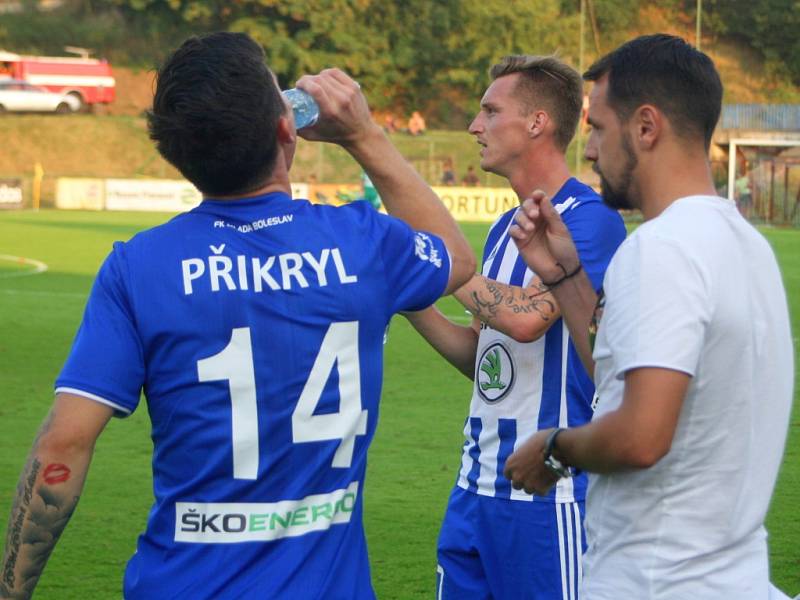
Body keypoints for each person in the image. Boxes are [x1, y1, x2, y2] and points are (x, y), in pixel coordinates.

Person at [0, 32, 475, 599]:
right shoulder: (360, 241)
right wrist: (364, 135)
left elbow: (63, 444)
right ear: (286, 128)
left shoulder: (138, 267)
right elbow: (456, 255)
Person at [504, 34, 793, 600]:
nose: (589, 151)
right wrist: (565, 278)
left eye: (598, 128)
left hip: (656, 582)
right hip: (733, 579)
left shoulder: (660, 248)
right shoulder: (747, 245)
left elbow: (641, 436)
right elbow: (623, 377)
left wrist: (554, 448)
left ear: (645, 126)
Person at [404, 55, 625, 599]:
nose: (474, 126)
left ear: (537, 123)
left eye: (489, 110)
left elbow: (526, 319)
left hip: (550, 499)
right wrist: (408, 295)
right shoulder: (505, 227)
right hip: (473, 489)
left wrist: (439, 264)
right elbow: (487, 361)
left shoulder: (588, 218)